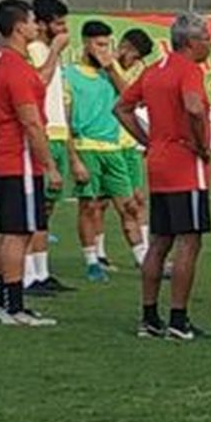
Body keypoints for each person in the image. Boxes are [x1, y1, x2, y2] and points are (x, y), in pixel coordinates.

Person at [114, 13, 211, 340]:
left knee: (159, 241)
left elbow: (122, 108)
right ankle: (178, 319)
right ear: (191, 42)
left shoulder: (154, 70)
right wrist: (201, 144)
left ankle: (148, 317)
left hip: (158, 163)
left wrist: (148, 140)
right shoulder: (189, 70)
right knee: (190, 240)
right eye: (207, 39)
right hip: (186, 164)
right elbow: (194, 107)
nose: (210, 44)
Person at [0, 0, 62, 327]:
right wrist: (51, 167)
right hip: (20, 161)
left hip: (0, 158)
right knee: (20, 233)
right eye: (31, 21)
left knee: (5, 232)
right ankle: (14, 307)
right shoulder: (16, 70)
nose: (37, 26)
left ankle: (2, 300)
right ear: (18, 27)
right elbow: (30, 121)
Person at [64, 20, 144, 282]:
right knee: (89, 207)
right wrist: (74, 158)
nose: (104, 50)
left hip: (114, 150)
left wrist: (111, 67)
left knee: (129, 206)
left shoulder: (111, 72)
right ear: (86, 44)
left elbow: (131, 98)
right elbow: (64, 119)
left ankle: (143, 260)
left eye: (108, 44)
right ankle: (92, 261)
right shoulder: (70, 75)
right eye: (99, 44)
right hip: (87, 148)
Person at [23, 0, 72, 294]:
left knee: (46, 211)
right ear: (41, 24)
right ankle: (28, 274)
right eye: (58, 23)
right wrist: (54, 51)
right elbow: (40, 82)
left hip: (58, 135)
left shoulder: (48, 50)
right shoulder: (34, 50)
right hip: (42, 135)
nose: (64, 29)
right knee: (34, 209)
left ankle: (41, 272)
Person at [107, 28, 155, 268]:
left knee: (137, 198)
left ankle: (144, 252)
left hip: (128, 144)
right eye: (133, 53)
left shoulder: (139, 70)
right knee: (98, 203)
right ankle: (99, 253)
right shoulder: (102, 65)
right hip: (105, 142)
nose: (135, 60)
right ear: (125, 46)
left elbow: (133, 96)